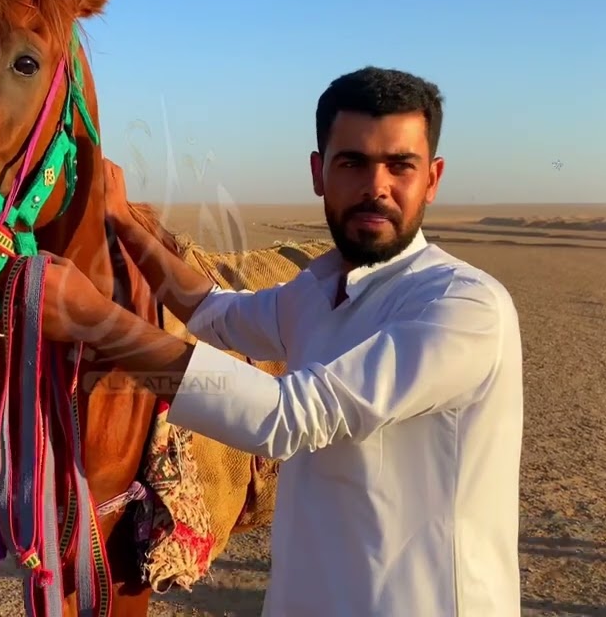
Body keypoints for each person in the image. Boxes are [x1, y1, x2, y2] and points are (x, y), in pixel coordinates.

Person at [39, 66, 524, 616]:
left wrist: (94, 320)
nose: (376, 186)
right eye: (353, 163)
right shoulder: (319, 288)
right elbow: (212, 311)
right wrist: (124, 222)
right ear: (319, 173)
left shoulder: (462, 306)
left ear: (432, 179)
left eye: (400, 166)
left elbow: (287, 419)